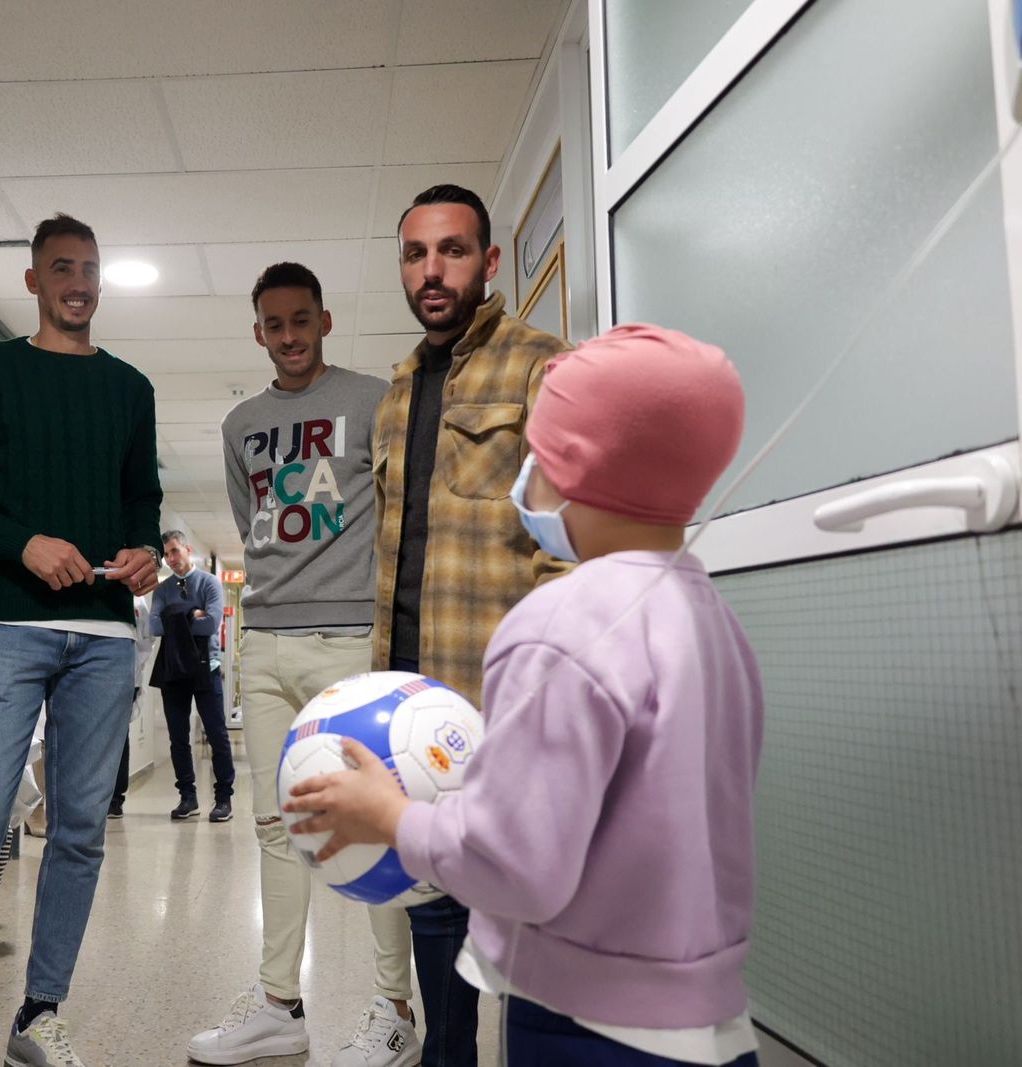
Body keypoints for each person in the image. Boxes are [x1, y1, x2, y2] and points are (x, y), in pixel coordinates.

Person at [286, 324, 763, 1067]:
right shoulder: (714, 615)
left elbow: (518, 869)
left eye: (533, 448)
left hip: (587, 1023)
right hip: (712, 1017)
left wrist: (394, 816)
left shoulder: (557, 623)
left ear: (568, 463)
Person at [0, 213, 163, 1067]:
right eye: (62, 267)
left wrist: (142, 553)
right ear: (33, 281)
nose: (79, 281)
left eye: (90, 268)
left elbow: (141, 503)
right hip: (8, 630)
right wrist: (23, 543)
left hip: (101, 634)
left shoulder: (131, 389)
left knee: (82, 827)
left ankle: (39, 1015)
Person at [365, 184, 572, 1066]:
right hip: (417, 698)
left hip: (508, 692)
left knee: (532, 908)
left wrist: (554, 686)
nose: (432, 270)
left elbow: (569, 543)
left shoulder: (544, 367)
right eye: (416, 254)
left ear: (489, 263)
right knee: (436, 903)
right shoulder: (398, 389)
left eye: (452, 251)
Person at [190, 262, 416, 1067]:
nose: (288, 337)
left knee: (369, 828)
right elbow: (255, 524)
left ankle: (395, 1013)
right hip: (265, 645)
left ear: (324, 320)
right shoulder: (240, 424)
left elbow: (393, 508)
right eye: (273, 325)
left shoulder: (372, 400)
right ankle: (280, 1007)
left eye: (301, 321)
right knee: (276, 828)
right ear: (258, 332)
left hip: (349, 641)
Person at [148, 531, 234, 822]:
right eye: (166, 555)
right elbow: (154, 627)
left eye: (174, 551)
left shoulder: (210, 583)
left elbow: (209, 625)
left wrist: (175, 616)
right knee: (178, 738)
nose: (170, 559)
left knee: (217, 735)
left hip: (205, 669)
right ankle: (188, 796)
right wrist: (190, 613)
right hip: (173, 671)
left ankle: (223, 798)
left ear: (187, 549)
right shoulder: (161, 590)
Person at [109, 593, 155, 820]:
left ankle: (115, 799)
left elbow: (147, 639)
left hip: (128, 677)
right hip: (104, 675)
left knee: (119, 737)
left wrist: (135, 671)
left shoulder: (137, 603)